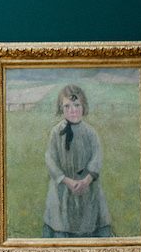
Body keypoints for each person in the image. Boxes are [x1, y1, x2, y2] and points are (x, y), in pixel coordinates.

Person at [44, 84, 109, 237]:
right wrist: (66, 181)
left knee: (89, 221)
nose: (72, 110)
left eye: (76, 105)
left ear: (83, 106)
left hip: (87, 188)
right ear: (61, 108)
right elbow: (50, 159)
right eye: (67, 106)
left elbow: (97, 157)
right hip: (63, 189)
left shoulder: (90, 133)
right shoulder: (56, 133)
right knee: (62, 222)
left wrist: (86, 180)